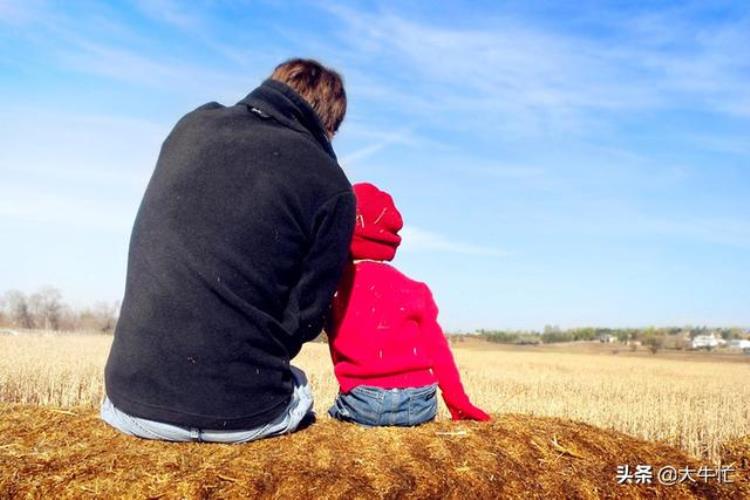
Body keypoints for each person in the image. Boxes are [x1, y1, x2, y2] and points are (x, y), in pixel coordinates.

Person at [101, 59, 355, 443]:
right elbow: (303, 318)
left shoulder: (191, 125)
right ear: (330, 126)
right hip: (240, 415)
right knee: (300, 388)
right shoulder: (332, 185)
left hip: (126, 403)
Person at [326, 182, 490, 427]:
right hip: (422, 401)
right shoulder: (415, 289)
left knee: (329, 418)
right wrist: (458, 402)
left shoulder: (336, 288)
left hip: (365, 402)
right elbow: (438, 351)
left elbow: (332, 345)